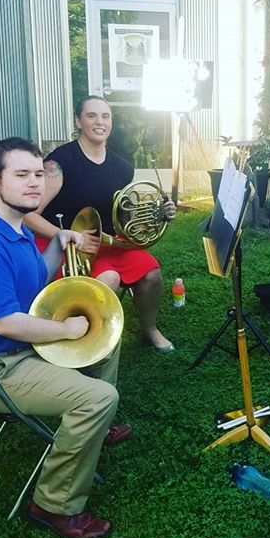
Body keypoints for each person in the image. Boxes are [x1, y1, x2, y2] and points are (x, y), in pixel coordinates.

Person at [0, 137, 131, 538]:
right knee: (99, 398)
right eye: (21, 175)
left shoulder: (13, 226)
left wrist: (57, 241)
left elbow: (35, 279)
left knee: (107, 331)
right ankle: (53, 505)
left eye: (38, 174)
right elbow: (4, 322)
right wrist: (66, 330)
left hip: (18, 351)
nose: (34, 183)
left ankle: (93, 428)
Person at [24, 95, 176, 353]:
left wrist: (158, 213)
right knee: (108, 278)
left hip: (105, 242)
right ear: (79, 121)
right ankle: (90, 339)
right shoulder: (60, 162)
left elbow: (124, 215)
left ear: (111, 122)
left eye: (105, 116)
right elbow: (29, 215)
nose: (99, 122)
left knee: (151, 272)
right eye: (91, 115)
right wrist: (66, 235)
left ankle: (149, 329)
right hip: (62, 245)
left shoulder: (122, 167)